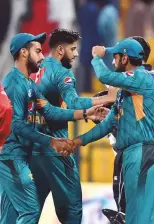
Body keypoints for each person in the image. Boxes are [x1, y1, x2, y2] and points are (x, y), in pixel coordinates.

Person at [0, 32, 106, 224]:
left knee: (14, 214)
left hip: (28, 155)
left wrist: (86, 114)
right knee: (41, 210)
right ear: (24, 53)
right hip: (15, 156)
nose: (42, 57)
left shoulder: (30, 83)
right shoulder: (16, 83)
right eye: (38, 51)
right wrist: (109, 98)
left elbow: (49, 110)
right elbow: (16, 124)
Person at [27, 28, 115, 224]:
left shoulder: (34, 71)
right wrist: (104, 99)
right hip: (57, 151)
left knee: (30, 210)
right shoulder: (62, 73)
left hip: (34, 150)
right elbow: (74, 102)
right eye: (73, 49)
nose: (76, 54)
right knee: (73, 211)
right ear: (60, 49)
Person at [70, 38, 154, 224]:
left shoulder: (139, 76)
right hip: (138, 152)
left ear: (125, 58)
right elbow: (105, 126)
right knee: (136, 217)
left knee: (136, 218)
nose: (113, 61)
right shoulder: (125, 92)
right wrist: (76, 142)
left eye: (116, 57)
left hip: (141, 152)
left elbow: (105, 76)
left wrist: (96, 57)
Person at [101, 35, 154, 224]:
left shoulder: (126, 81)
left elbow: (105, 109)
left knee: (127, 212)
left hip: (133, 151)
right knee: (148, 210)